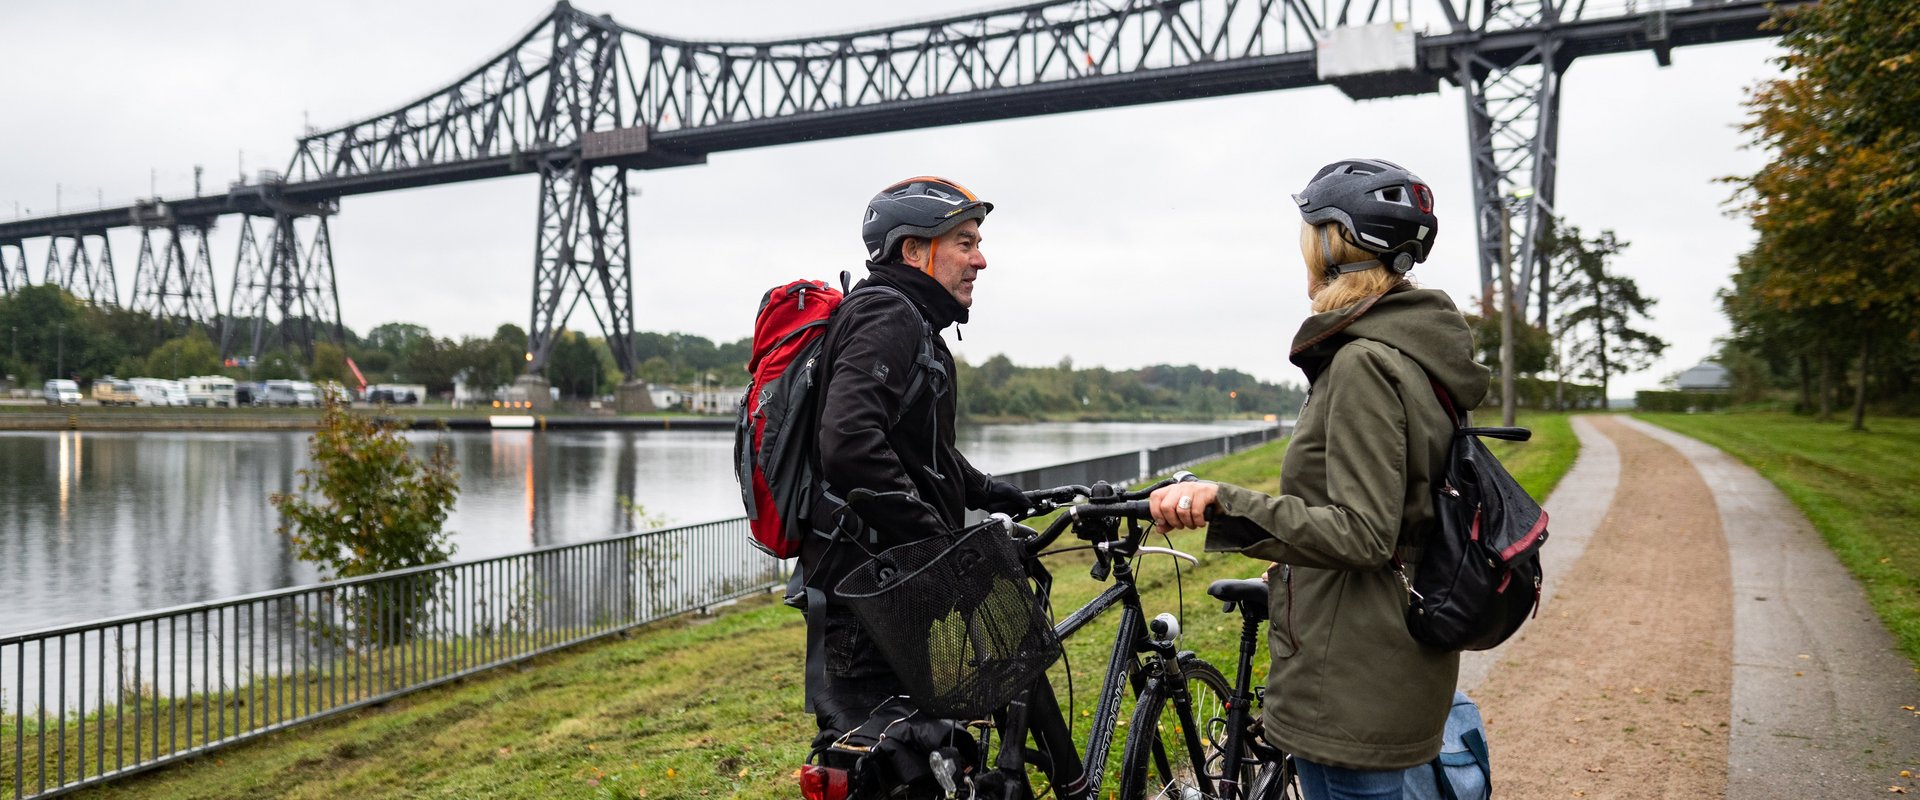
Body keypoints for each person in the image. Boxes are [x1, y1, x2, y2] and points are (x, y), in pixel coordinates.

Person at [1148, 158, 1492, 799]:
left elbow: (1364, 532)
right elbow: (1401, 509)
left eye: (1310, 231)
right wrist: (1299, 562)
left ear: (1334, 242)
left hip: (1351, 687)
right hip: (1395, 660)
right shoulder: (1419, 351)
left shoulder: (1364, 361)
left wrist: (1224, 499)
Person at [799, 176, 1031, 746]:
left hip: (891, 585)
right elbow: (850, 445)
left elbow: (917, 447)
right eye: (965, 243)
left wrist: (982, 489)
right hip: (868, 589)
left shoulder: (912, 320)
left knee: (925, 751)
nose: (981, 259)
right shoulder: (888, 315)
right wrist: (941, 550)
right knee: (884, 757)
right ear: (913, 250)